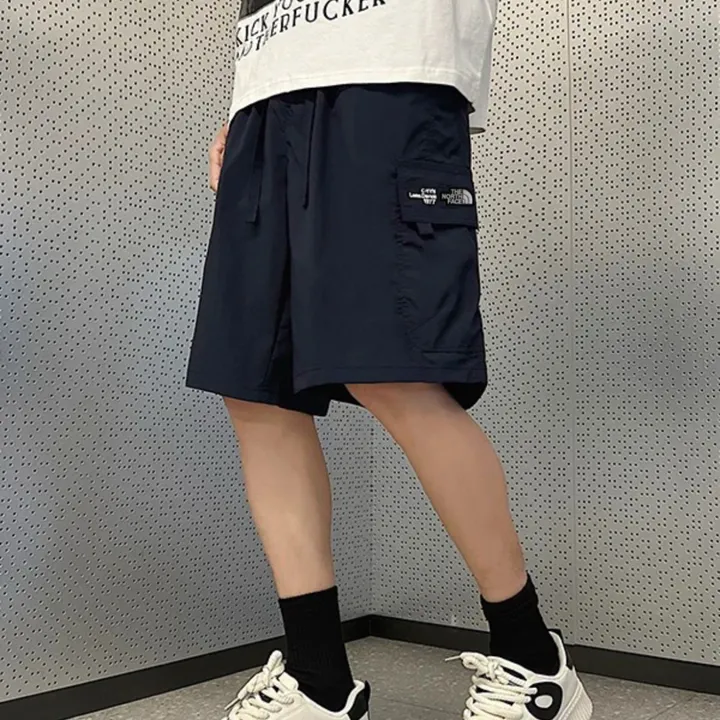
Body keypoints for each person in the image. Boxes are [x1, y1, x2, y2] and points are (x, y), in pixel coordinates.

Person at [187, 2, 593, 719]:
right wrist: (247, 97)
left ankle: (533, 659)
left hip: (390, 74)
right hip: (266, 94)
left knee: (393, 375)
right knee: (255, 391)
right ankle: (319, 680)